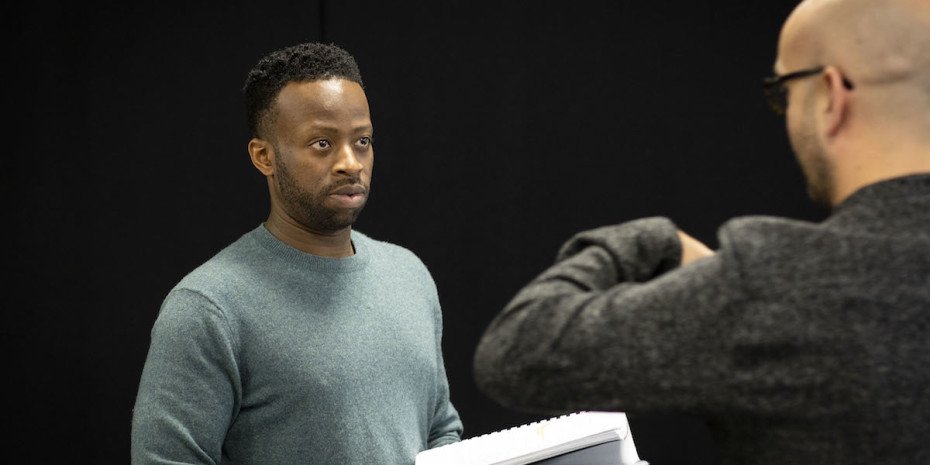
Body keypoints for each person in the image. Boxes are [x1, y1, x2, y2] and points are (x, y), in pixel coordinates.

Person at [472, 0, 930, 464]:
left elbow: (518, 350)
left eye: (784, 92)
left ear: (831, 95)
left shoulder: (775, 284)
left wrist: (649, 240)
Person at [131, 42, 462, 465]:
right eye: (322, 143)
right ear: (264, 156)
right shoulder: (208, 308)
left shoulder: (408, 275)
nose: (350, 162)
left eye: (362, 141)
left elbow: (441, 430)